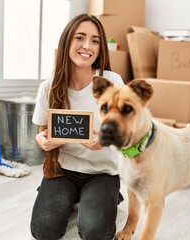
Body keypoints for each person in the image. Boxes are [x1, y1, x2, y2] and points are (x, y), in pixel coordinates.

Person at [30, 13, 124, 240]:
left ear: (100, 48)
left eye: (95, 41)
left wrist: (104, 140)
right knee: (44, 231)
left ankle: (105, 195)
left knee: (95, 233)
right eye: (79, 38)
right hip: (62, 171)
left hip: (101, 172)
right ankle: (71, 195)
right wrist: (42, 141)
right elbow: (41, 134)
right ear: (67, 42)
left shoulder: (113, 82)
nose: (87, 46)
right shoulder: (49, 87)